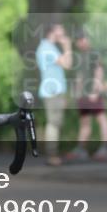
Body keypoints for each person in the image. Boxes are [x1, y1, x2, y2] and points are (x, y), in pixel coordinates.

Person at [68, 32, 107, 161]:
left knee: (101, 119)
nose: (81, 42)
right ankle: (81, 149)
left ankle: (105, 148)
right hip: (83, 96)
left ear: (87, 40)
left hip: (92, 93)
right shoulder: (80, 56)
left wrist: (95, 91)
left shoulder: (93, 53)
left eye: (83, 39)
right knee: (85, 122)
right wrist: (77, 93)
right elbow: (80, 76)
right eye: (79, 40)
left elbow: (99, 71)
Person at [36, 22, 72, 166]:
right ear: (53, 31)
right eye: (60, 29)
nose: (63, 31)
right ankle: (52, 155)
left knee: (55, 122)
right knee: (53, 123)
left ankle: (53, 154)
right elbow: (67, 64)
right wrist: (67, 46)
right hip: (52, 90)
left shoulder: (48, 47)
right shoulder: (47, 48)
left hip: (54, 90)